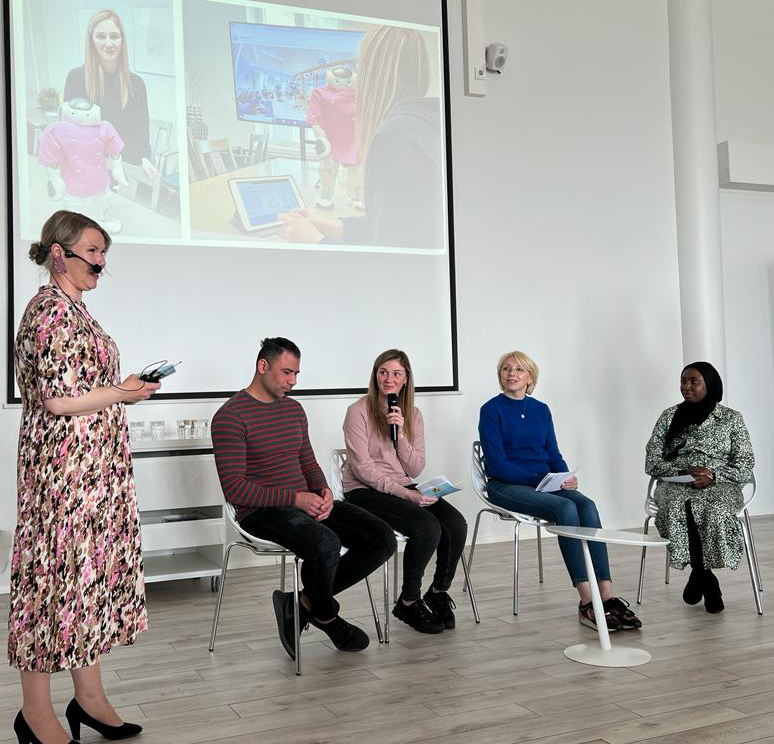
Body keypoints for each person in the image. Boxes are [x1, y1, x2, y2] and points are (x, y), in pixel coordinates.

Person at [8, 210, 160, 744]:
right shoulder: (47, 312)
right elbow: (55, 399)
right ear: (58, 252)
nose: (100, 262)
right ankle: (34, 711)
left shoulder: (79, 311)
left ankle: (89, 698)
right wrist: (123, 393)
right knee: (52, 583)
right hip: (63, 472)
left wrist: (125, 390)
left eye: (103, 253)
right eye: (91, 252)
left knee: (85, 582)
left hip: (96, 469)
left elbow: (85, 390)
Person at [211, 337, 396, 659]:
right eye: (286, 373)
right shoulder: (230, 416)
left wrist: (323, 490)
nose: (293, 381)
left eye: (296, 373)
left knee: (382, 538)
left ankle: (302, 603)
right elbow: (235, 489)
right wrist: (296, 499)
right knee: (324, 543)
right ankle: (326, 615)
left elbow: (307, 462)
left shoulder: (294, 409)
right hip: (261, 511)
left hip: (305, 502)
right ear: (262, 366)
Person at [478, 350, 642, 631]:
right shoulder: (491, 410)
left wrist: (565, 478)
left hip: (544, 483)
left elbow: (553, 453)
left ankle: (607, 595)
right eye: (506, 369)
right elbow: (497, 464)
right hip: (505, 486)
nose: (511, 374)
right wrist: (539, 480)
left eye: (519, 369)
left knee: (586, 505)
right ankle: (586, 601)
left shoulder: (541, 410)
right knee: (565, 508)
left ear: (530, 376)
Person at [281, 25, 442, 250]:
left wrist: (316, 242)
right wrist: (331, 227)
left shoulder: (396, 137)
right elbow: (398, 226)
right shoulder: (430, 120)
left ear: (368, 75)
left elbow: (390, 264)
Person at [342, 350, 468, 634]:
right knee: (426, 526)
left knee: (456, 525)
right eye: (383, 372)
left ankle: (437, 592)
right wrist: (405, 493)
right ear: (375, 375)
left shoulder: (412, 414)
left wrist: (398, 437)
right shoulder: (357, 411)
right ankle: (409, 601)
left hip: (403, 485)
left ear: (406, 379)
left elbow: (416, 467)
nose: (389, 379)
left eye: (396, 373)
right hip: (364, 490)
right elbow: (362, 469)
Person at [645, 362, 754, 613]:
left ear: (710, 384)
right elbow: (652, 460)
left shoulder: (731, 419)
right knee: (678, 508)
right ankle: (707, 579)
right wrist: (682, 472)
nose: (686, 387)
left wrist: (714, 475)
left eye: (694, 381)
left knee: (714, 508)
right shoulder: (669, 416)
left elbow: (745, 463)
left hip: (720, 483)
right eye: (683, 381)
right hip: (676, 482)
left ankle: (698, 576)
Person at [64, 9, 158, 181]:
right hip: (88, 168)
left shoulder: (136, 83)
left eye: (114, 36)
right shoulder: (76, 78)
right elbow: (70, 130)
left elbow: (142, 127)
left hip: (126, 167)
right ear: (91, 41)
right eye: (101, 36)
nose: (109, 43)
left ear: (122, 41)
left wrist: (144, 157)